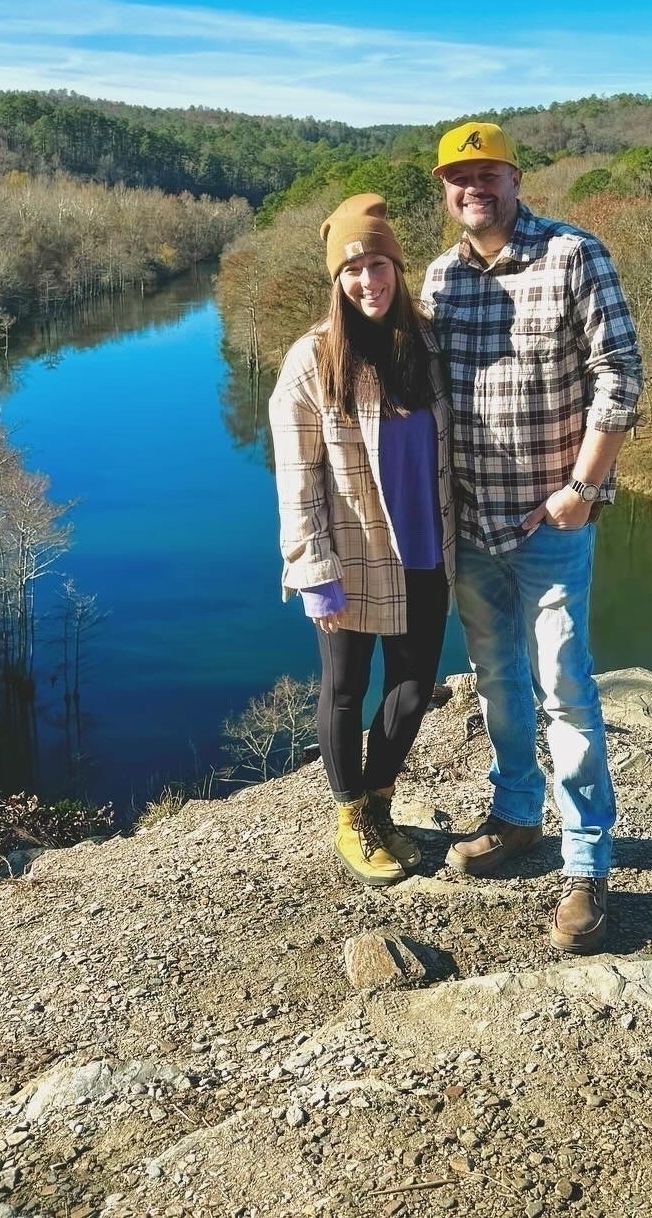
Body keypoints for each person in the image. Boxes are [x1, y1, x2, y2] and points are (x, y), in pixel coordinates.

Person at [422, 121, 642, 953]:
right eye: (457, 176)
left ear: (516, 179)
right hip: (471, 522)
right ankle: (516, 814)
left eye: (488, 173)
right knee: (493, 677)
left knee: (564, 687)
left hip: (550, 521)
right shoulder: (442, 277)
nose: (472, 188)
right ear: (444, 190)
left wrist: (584, 488)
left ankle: (586, 862)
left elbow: (619, 375)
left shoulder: (575, 256)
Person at [268, 192, 455, 887]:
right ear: (336, 281)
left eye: (379, 264)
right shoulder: (312, 361)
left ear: (398, 269)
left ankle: (380, 802)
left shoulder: (429, 345)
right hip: (350, 557)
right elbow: (297, 474)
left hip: (427, 552)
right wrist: (311, 566)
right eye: (352, 270)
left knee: (414, 685)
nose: (367, 281)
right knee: (345, 691)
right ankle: (350, 820)